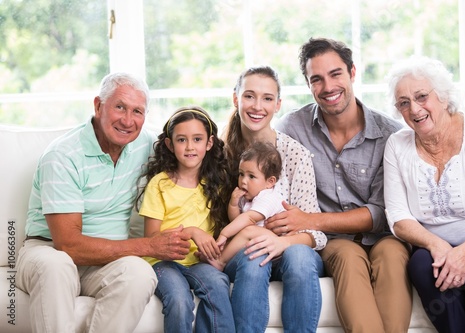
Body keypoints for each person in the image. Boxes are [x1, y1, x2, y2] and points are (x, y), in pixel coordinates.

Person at [15, 72, 192, 333]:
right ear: (98, 105)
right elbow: (68, 245)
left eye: (137, 111)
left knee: (139, 274)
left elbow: (194, 157)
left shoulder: (146, 145)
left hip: (107, 261)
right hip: (49, 250)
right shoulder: (63, 155)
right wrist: (150, 246)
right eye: (120, 107)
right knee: (57, 266)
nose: (128, 120)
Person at [269, 37, 412, 333]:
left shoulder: (390, 135)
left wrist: (309, 219)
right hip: (333, 243)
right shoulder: (291, 129)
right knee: (348, 255)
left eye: (336, 74)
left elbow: (381, 213)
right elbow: (258, 156)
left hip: (384, 237)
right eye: (316, 79)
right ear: (309, 85)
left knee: (392, 255)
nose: (328, 87)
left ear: (352, 73)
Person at [384, 56, 465, 333]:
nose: (414, 108)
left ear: (444, 98)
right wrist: (438, 246)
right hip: (435, 243)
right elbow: (398, 217)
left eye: (422, 96)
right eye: (403, 103)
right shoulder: (397, 145)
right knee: (423, 265)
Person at [222, 65, 327, 332]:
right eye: (249, 96)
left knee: (300, 259)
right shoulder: (220, 156)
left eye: (267, 98)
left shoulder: (294, 154)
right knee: (254, 256)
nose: (257, 106)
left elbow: (318, 234)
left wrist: (280, 242)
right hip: (244, 250)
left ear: (278, 104)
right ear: (236, 99)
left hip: (292, 250)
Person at [137, 106, 235, 333]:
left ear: (209, 143)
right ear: (170, 145)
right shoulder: (159, 184)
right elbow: (151, 238)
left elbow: (228, 226)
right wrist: (191, 231)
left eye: (197, 139)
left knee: (218, 285)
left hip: (199, 263)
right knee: (180, 300)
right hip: (162, 263)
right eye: (182, 140)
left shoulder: (217, 183)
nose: (190, 146)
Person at [210, 141, 285, 271]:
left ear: (270, 182)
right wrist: (233, 204)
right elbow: (237, 222)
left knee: (247, 231)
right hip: (256, 244)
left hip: (275, 247)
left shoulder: (268, 197)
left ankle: (220, 261)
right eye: (241, 174)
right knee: (238, 235)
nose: (243, 181)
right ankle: (214, 254)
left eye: (251, 176)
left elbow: (248, 219)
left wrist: (224, 234)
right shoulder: (249, 197)